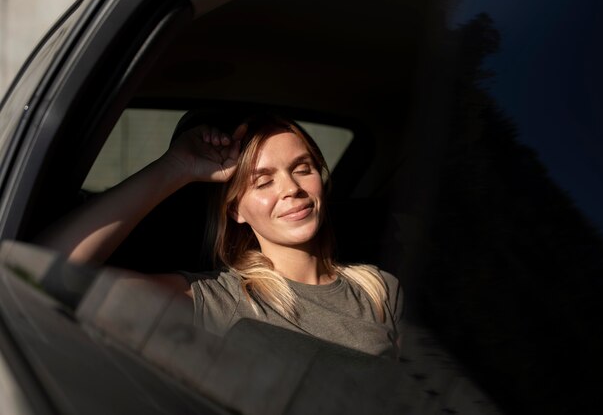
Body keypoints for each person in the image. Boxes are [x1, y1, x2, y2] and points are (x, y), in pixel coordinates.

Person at [38, 113, 403, 358]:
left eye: (302, 169)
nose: (291, 188)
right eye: (263, 181)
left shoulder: (379, 289)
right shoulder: (221, 300)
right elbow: (45, 274)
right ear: (236, 211)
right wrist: (175, 168)